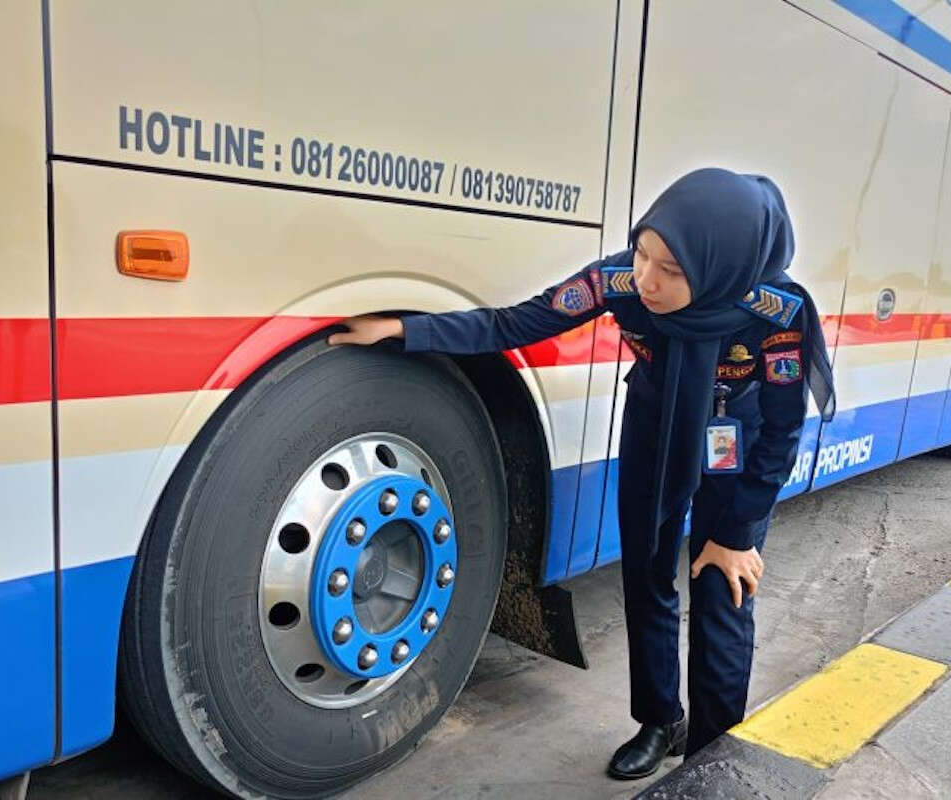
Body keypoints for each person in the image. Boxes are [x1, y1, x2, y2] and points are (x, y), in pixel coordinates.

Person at [327, 168, 835, 778]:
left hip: (737, 443)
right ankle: (659, 720)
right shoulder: (618, 280)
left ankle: (712, 752)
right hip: (656, 424)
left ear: (719, 268)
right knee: (646, 574)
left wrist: (738, 532)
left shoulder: (775, 314)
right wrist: (407, 330)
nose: (646, 280)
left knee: (722, 586)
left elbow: (782, 430)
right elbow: (515, 324)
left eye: (672, 271)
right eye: (643, 252)